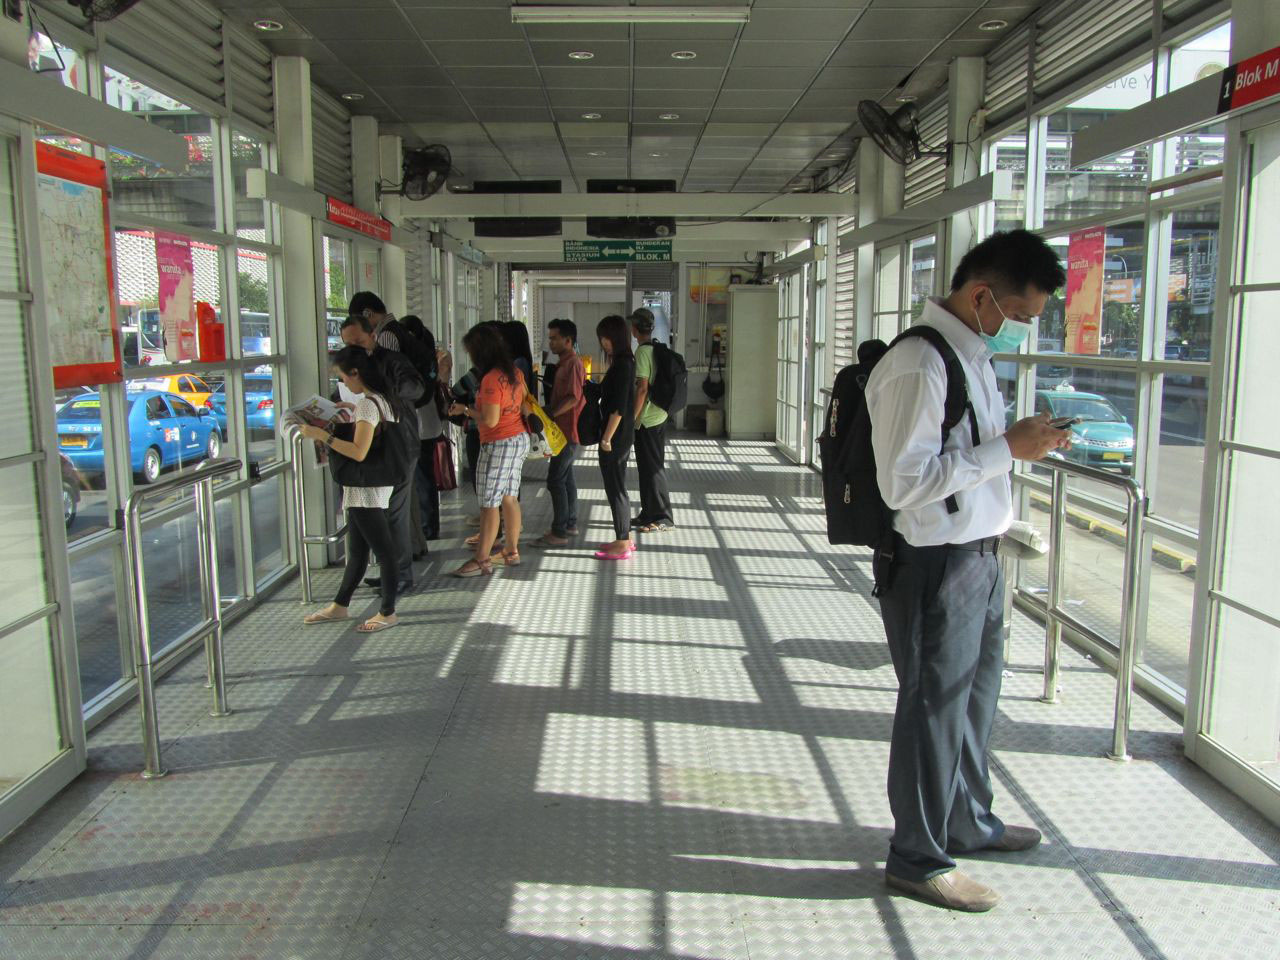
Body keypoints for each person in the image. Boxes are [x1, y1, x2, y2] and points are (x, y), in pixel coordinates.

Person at [865, 229, 1072, 912]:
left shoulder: (973, 355)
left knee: (973, 702)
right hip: (933, 563)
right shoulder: (919, 364)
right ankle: (917, 857)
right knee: (933, 708)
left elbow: (975, 455)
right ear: (983, 295)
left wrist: (1017, 447)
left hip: (980, 558)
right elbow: (904, 483)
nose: (1021, 330)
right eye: (1021, 315)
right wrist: (1006, 449)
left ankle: (966, 819)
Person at [300, 347, 412, 633]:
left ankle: (388, 611)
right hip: (375, 485)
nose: (344, 385)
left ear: (355, 373)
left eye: (343, 378)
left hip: (366, 488)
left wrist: (322, 435)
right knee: (358, 550)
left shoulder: (367, 405)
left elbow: (359, 452)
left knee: (383, 551)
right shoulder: (385, 400)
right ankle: (340, 605)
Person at [341, 308, 422, 593]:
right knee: (380, 513)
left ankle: (400, 574)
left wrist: (382, 391)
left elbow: (416, 388)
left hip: (399, 446)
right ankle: (392, 571)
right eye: (348, 345)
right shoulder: (354, 369)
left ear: (373, 336)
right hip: (376, 448)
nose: (354, 350)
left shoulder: (391, 362)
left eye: (359, 343)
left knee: (394, 513)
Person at [446, 325, 530, 577]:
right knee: (509, 498)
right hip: (518, 439)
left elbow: (490, 420)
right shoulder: (514, 372)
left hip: (498, 443)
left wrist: (465, 411)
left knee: (489, 504)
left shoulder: (491, 378)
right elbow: (524, 401)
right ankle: (511, 552)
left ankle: (481, 560)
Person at [532, 319, 585, 548]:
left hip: (567, 432)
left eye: (554, 338)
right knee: (566, 479)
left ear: (568, 340)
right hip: (562, 432)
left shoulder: (572, 364)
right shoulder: (563, 363)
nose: (551, 342)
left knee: (555, 481)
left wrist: (550, 413)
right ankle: (570, 522)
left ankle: (559, 531)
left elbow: (573, 397)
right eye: (550, 337)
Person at [595, 315, 637, 560]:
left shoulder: (623, 364)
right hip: (621, 433)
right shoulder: (624, 361)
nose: (603, 343)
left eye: (606, 338)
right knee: (617, 485)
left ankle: (623, 541)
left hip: (616, 435)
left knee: (615, 487)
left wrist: (606, 438)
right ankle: (624, 538)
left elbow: (618, 407)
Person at [630, 307, 675, 533]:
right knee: (647, 467)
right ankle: (648, 513)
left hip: (648, 418)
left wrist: (632, 418)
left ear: (635, 328)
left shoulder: (642, 353)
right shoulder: (654, 348)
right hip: (658, 414)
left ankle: (663, 517)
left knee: (653, 468)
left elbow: (641, 389)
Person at [400, 315, 441, 550]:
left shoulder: (414, 360)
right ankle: (428, 525)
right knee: (426, 477)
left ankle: (428, 526)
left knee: (423, 479)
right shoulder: (428, 356)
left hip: (421, 426)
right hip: (429, 422)